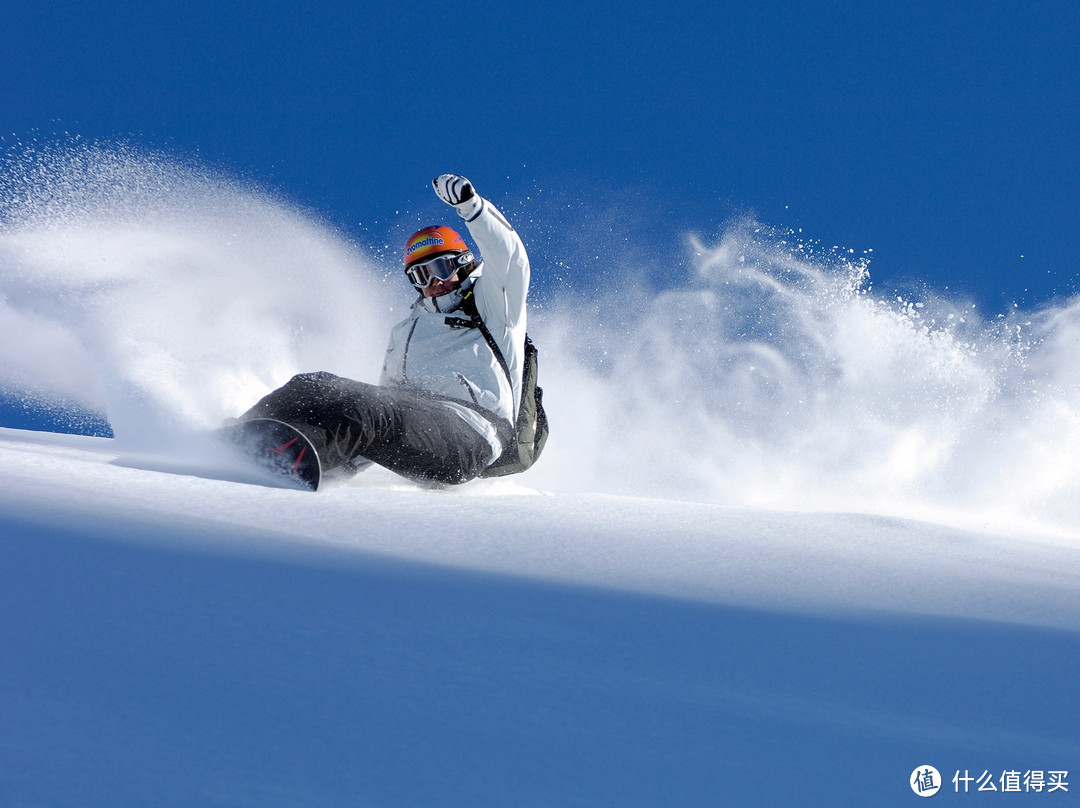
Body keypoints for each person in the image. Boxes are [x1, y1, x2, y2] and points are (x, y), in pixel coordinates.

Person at [235, 173, 530, 485]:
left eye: (440, 269)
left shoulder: (494, 307)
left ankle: (286, 463)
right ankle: (243, 436)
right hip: (417, 423)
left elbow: (512, 259)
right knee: (313, 385)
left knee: (373, 408)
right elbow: (382, 414)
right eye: (420, 276)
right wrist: (342, 473)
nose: (432, 283)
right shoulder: (406, 332)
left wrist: (473, 208)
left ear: (463, 263)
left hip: (473, 434)